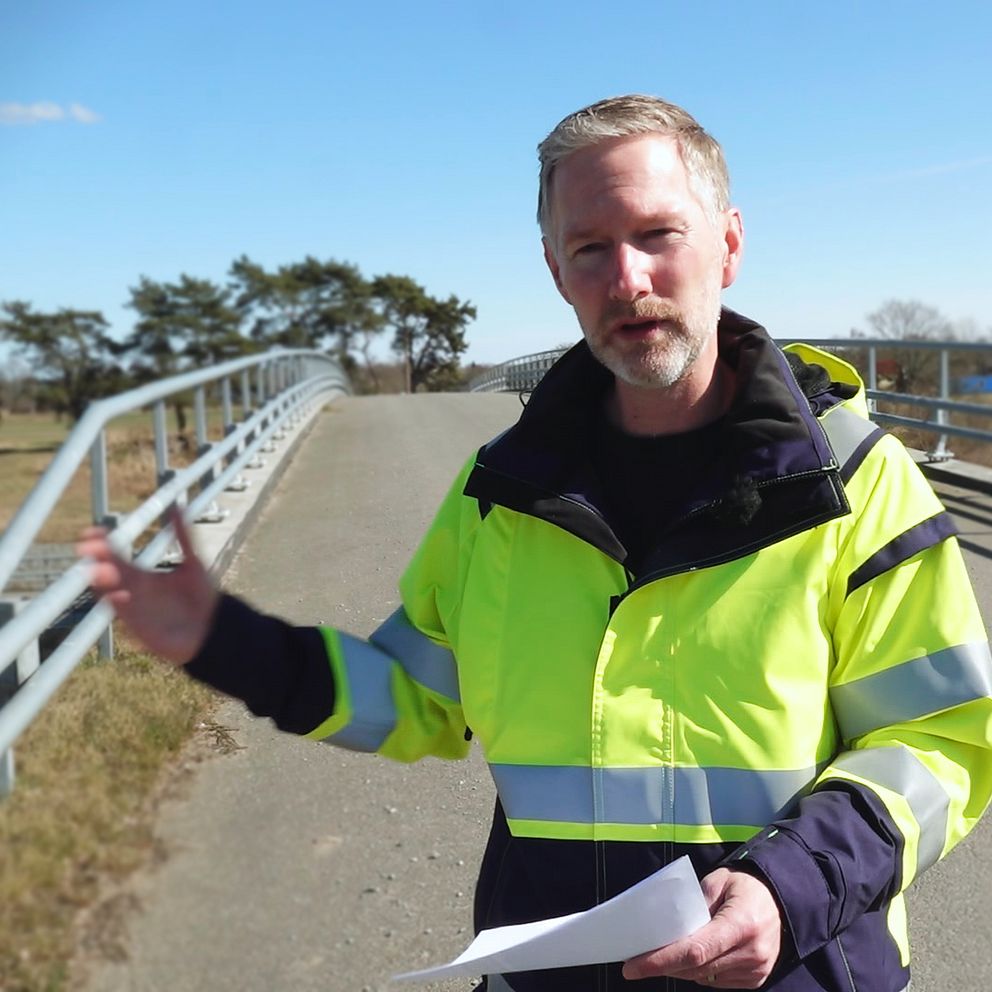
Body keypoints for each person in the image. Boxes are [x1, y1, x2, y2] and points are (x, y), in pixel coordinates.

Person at [80, 95, 992, 991]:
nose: (626, 279)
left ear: (730, 244)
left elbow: (943, 737)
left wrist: (787, 888)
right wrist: (225, 642)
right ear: (556, 272)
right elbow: (411, 696)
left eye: (658, 235)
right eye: (589, 248)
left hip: (793, 969)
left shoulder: (854, 484)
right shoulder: (500, 497)